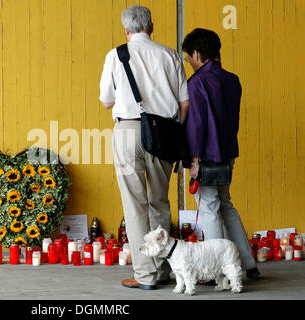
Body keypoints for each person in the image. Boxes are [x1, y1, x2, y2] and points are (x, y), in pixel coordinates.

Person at [99, 5, 190, 290]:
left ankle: (145, 275)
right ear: (151, 26)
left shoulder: (116, 55)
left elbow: (106, 100)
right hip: (163, 133)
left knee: (134, 205)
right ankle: (163, 269)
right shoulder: (170, 55)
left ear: (126, 30)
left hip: (127, 131)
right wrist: (175, 131)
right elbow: (184, 103)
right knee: (160, 201)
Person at [182, 28, 260, 280]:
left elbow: (196, 125)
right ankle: (249, 264)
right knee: (226, 205)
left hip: (205, 157)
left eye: (189, 57)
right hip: (227, 154)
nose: (189, 62)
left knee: (209, 208)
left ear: (197, 53)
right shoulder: (232, 79)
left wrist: (194, 161)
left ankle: (218, 271)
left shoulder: (197, 83)